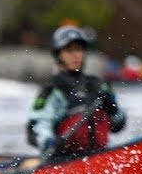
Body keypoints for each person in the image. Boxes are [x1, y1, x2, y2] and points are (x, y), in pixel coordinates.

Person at [26, 25, 127, 158]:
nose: (75, 55)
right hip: (65, 161)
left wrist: (113, 109)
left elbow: (117, 126)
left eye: (79, 49)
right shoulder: (53, 89)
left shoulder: (98, 85)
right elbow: (37, 127)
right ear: (58, 54)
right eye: (69, 50)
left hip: (100, 158)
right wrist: (48, 142)